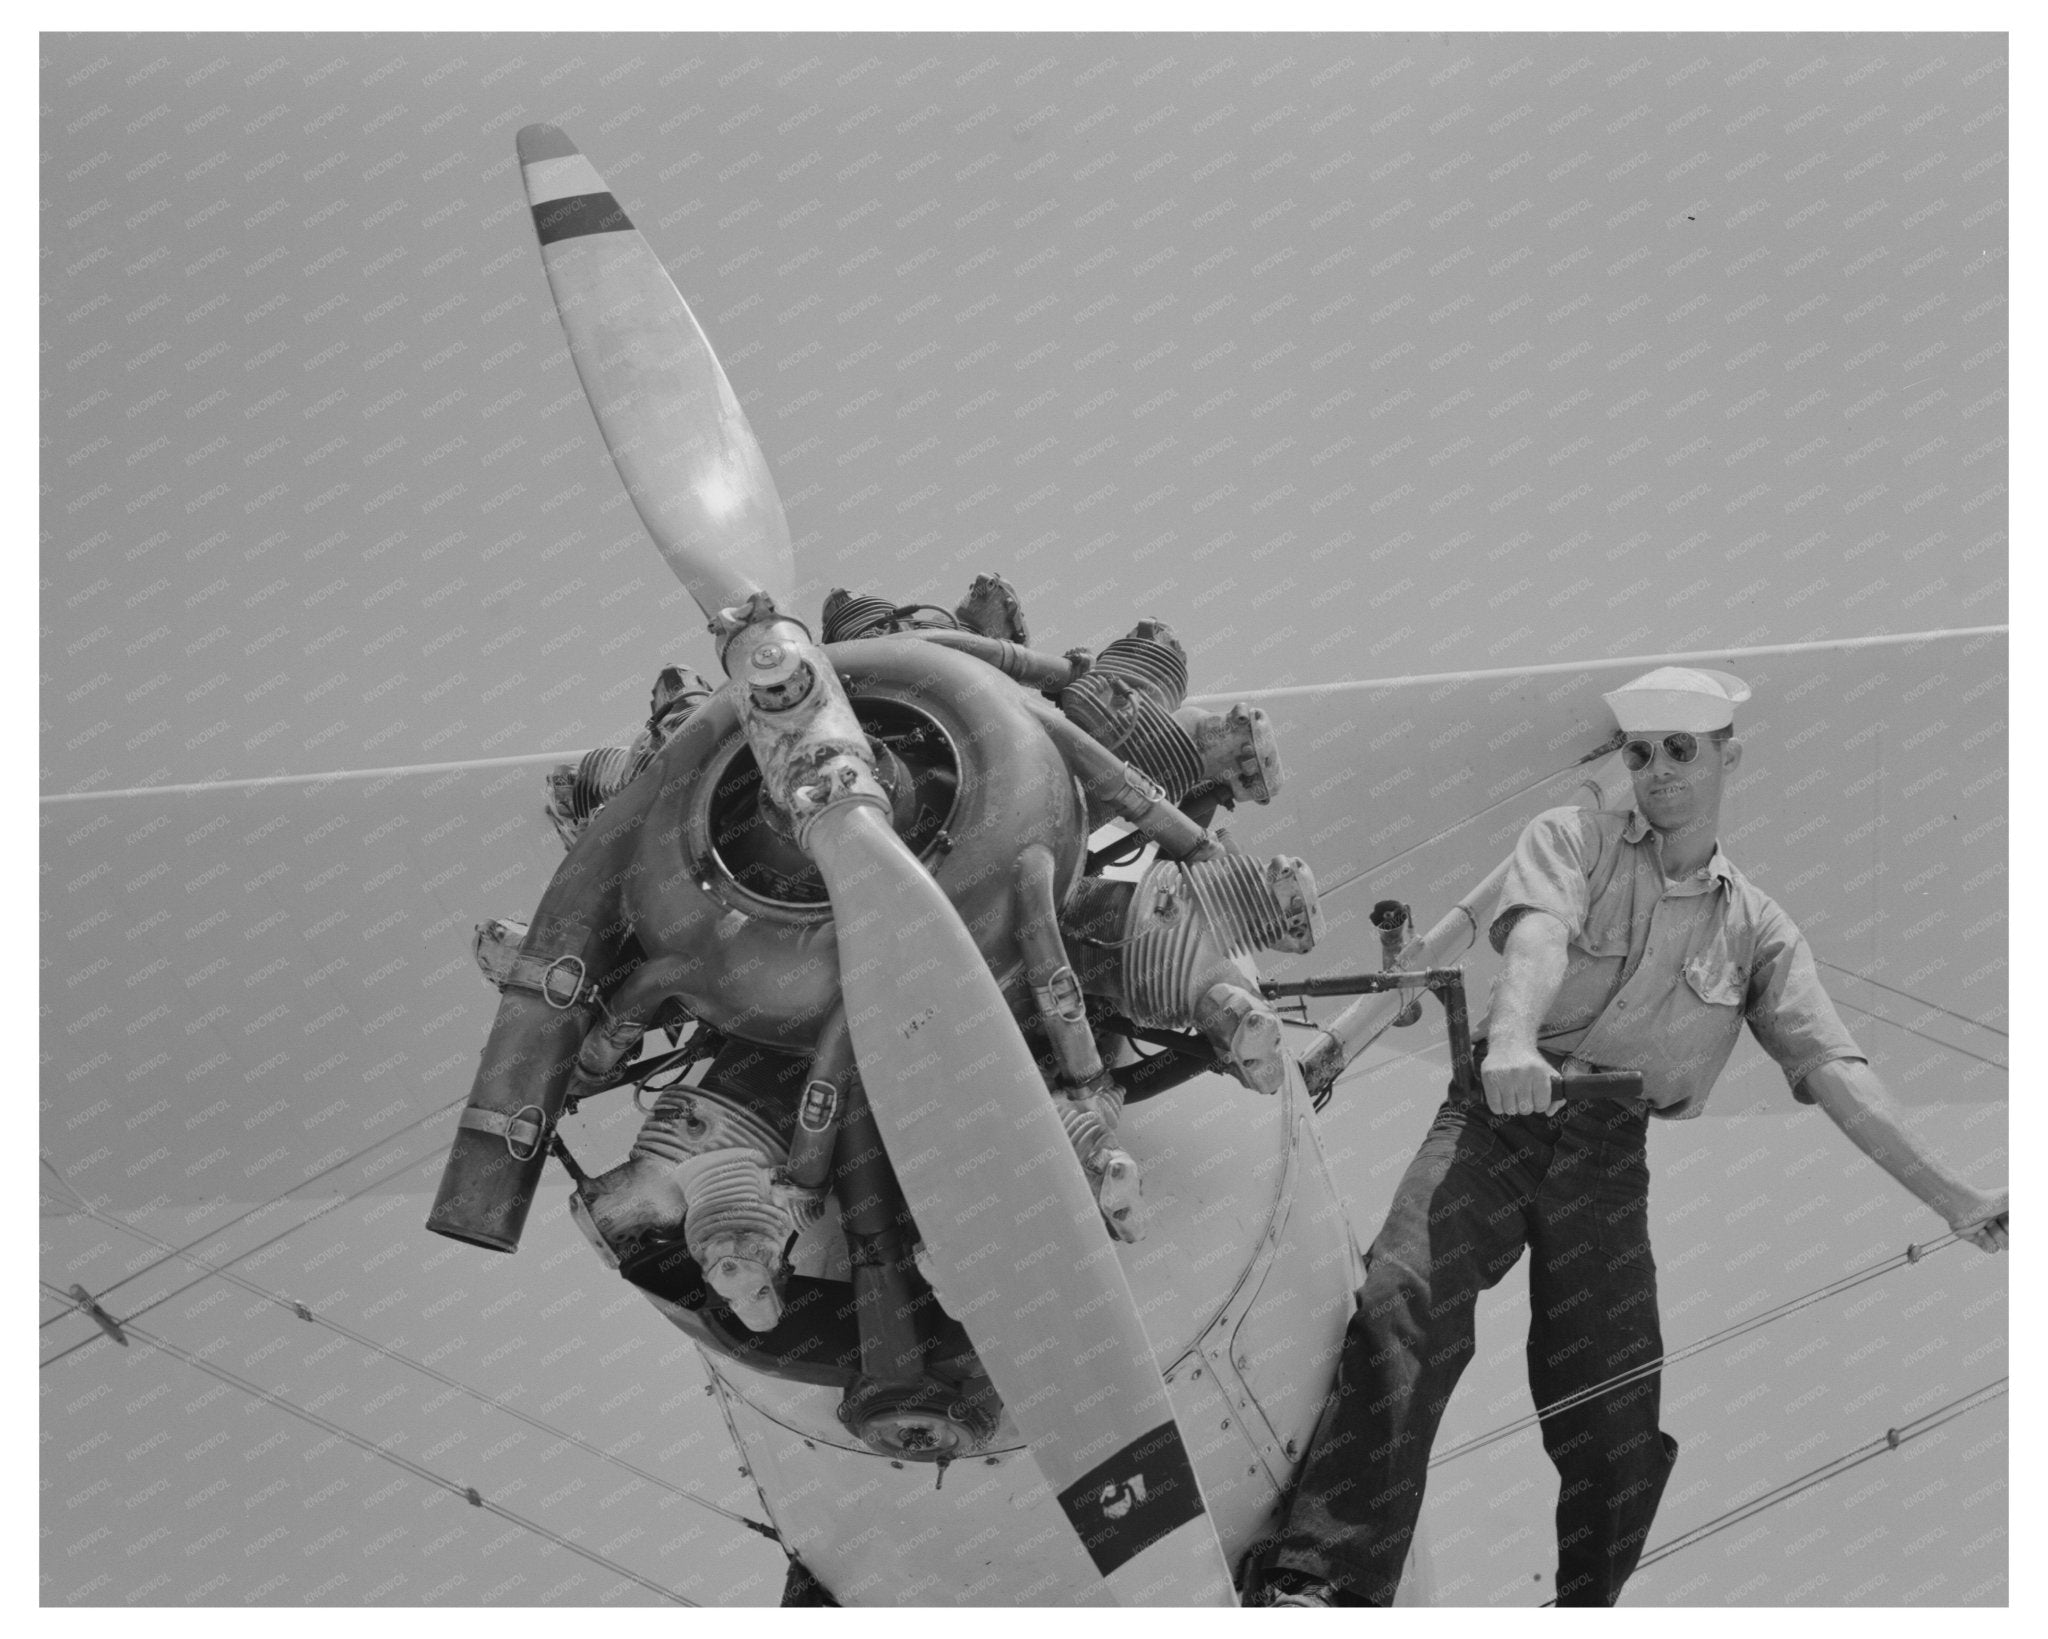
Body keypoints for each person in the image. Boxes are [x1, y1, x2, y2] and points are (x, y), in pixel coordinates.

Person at [1251, 665, 2010, 1607]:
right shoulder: (1574, 839)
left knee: (1615, 1402)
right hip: (1497, 1120)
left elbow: (1834, 1070)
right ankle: (1319, 1591)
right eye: (1641, 751)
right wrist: (1516, 1041)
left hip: (1608, 1155)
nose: (1657, 769)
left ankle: (1583, 1610)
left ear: (1729, 757)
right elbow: (1535, 940)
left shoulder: (1757, 929)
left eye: (1681, 749)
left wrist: (1959, 1197)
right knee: (1405, 1301)